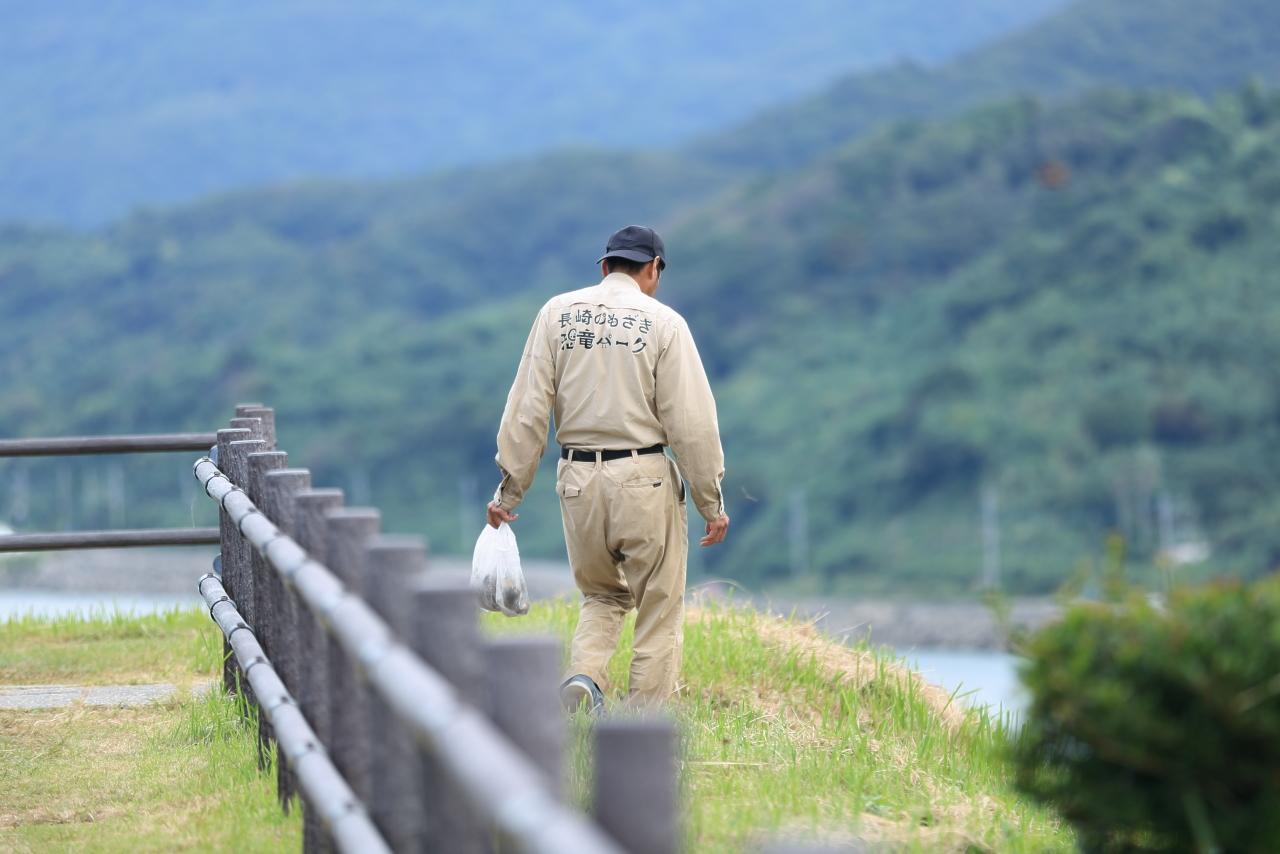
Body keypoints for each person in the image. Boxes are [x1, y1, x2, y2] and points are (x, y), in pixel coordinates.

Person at [487, 224, 729, 710]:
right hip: (644, 479)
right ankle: (641, 725)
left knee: (601, 594)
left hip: (577, 480)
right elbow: (691, 423)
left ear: (604, 266)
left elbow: (527, 409)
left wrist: (508, 492)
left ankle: (584, 675)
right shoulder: (664, 324)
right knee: (658, 607)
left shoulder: (556, 314)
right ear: (653, 269)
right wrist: (711, 501)